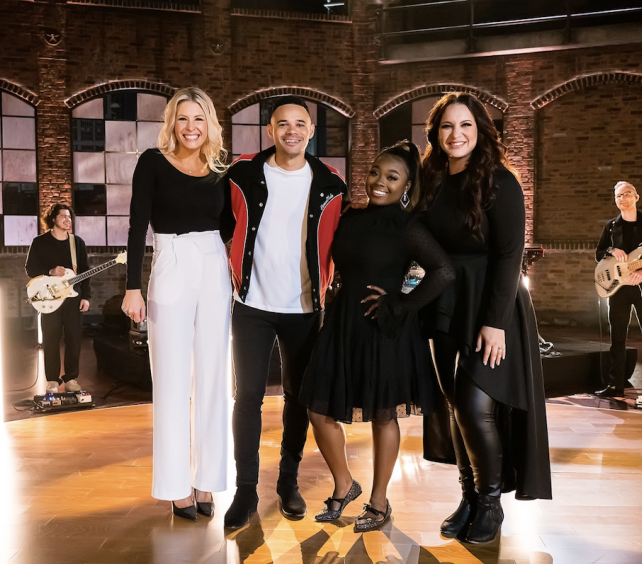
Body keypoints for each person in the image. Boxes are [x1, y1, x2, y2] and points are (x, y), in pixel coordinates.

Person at [299, 141, 455, 533]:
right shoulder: (350, 216)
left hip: (384, 328)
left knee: (383, 415)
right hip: (342, 323)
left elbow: (443, 271)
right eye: (375, 173)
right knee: (317, 408)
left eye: (392, 177)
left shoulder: (409, 226)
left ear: (407, 186)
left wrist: (402, 304)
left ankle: (379, 502)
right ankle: (345, 485)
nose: (379, 182)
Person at [417, 93, 552, 544]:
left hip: (491, 304)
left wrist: (494, 322)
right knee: (455, 404)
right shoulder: (431, 178)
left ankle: (491, 504)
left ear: (480, 131)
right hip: (446, 300)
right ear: (435, 134)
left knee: (477, 407)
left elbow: (510, 255)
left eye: (466, 126)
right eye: (447, 127)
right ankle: (469, 496)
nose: (456, 135)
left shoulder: (500, 181)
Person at [224, 96, 347, 529]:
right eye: (282, 123)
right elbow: (222, 228)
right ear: (271, 130)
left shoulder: (333, 184)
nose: (291, 130)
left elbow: (344, 242)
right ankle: (244, 492)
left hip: (305, 308)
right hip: (251, 306)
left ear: (310, 131)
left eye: (300, 123)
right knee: (248, 398)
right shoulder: (241, 175)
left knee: (296, 398)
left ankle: (288, 483)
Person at [121, 87, 232, 521]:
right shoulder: (152, 162)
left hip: (214, 265)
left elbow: (232, 227)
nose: (191, 127)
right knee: (170, 380)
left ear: (210, 124)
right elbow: (135, 226)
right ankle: (175, 487)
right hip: (169, 261)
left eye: (199, 119)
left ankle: (207, 483)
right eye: (183, 119)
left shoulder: (222, 170)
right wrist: (132, 286)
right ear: (172, 123)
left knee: (213, 377)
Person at [594, 181, 642, 402]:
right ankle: (615, 384)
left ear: (637, 197)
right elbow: (598, 253)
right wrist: (610, 250)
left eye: (627, 194)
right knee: (617, 338)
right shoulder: (610, 227)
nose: (622, 199)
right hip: (618, 289)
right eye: (618, 196)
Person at [25, 204, 90, 394]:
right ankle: (52, 380)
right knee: (51, 340)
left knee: (74, 339)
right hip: (50, 299)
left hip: (73, 299)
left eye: (70, 217)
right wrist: (50, 272)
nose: (67, 220)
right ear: (53, 219)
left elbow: (86, 271)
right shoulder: (40, 242)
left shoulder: (77, 243)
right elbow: (30, 269)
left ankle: (71, 378)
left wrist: (86, 296)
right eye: (63, 216)